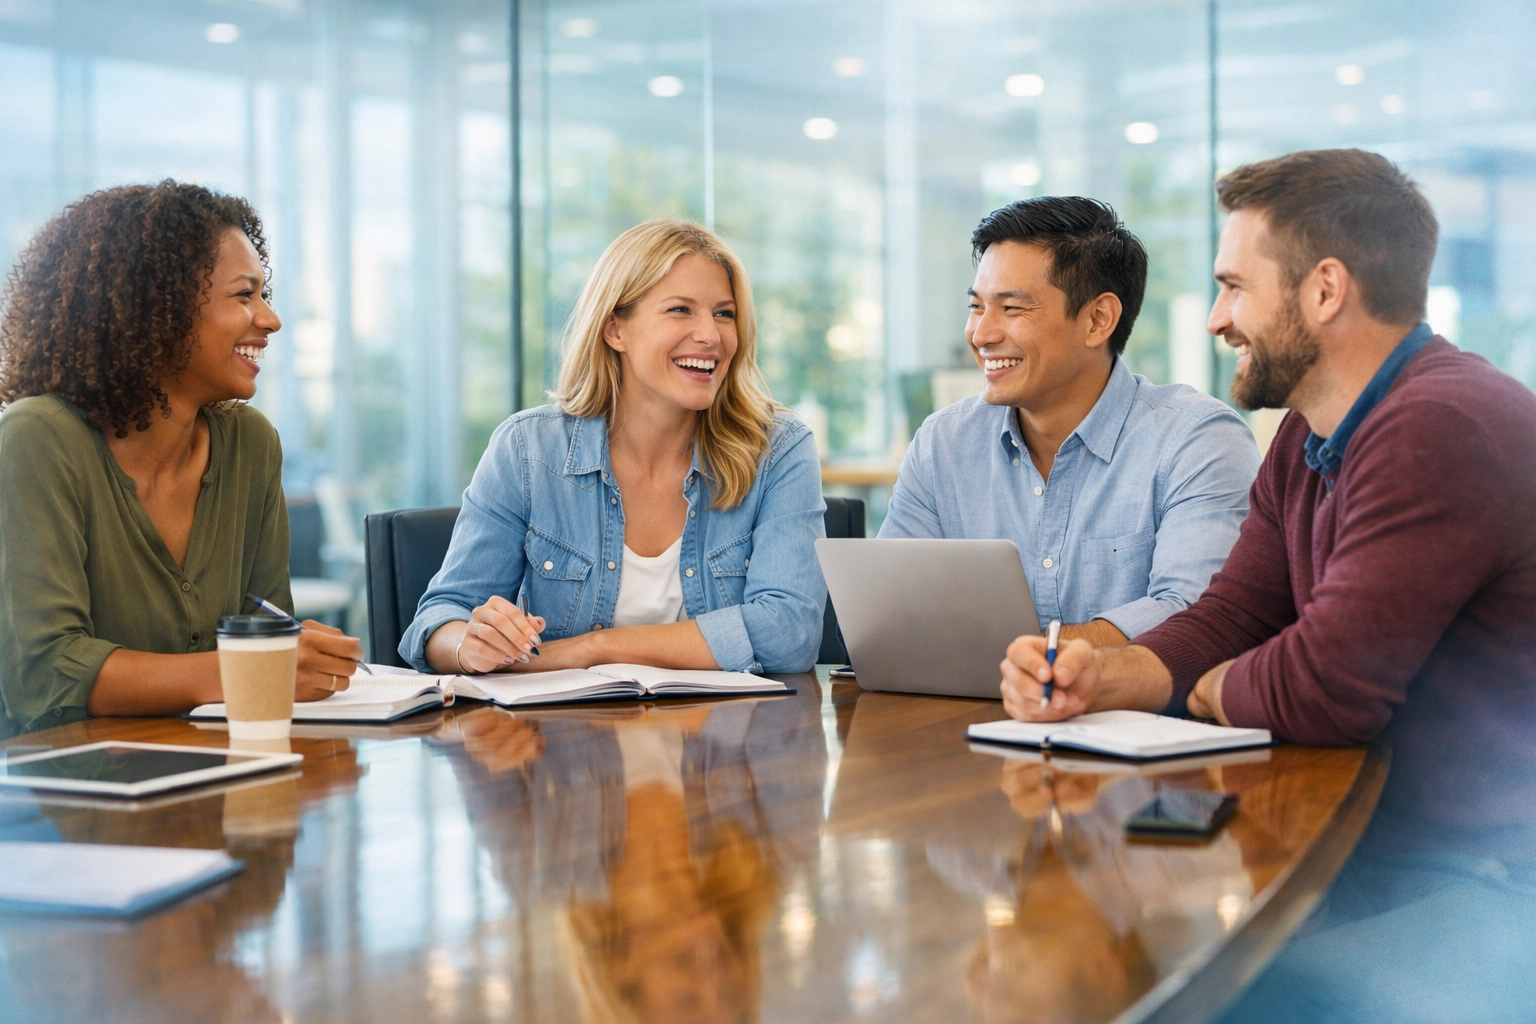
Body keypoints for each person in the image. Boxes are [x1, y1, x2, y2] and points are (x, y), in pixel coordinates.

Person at [999, 148, 1536, 751]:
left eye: (1234, 287)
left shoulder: (1440, 428)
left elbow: (1325, 689)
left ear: (1325, 290)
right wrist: (1099, 677)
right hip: (1358, 792)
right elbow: (1236, 619)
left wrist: (1211, 689)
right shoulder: (1306, 432)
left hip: (1464, 814)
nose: (1216, 320)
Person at [0, 181, 362, 737]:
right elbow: (46, 672)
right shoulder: (38, 439)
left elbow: (268, 630)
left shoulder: (250, 444)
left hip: (223, 768)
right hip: (70, 782)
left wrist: (302, 659)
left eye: (263, 294)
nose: (270, 319)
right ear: (157, 310)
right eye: (244, 295)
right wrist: (250, 669)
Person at [402, 219, 826, 676]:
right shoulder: (527, 450)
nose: (711, 335)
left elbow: (789, 634)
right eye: (680, 310)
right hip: (563, 723)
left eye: (724, 314)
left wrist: (593, 649)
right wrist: (471, 645)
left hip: (728, 724)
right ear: (614, 330)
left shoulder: (778, 450)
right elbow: (439, 620)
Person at [879, 197, 1259, 645]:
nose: (981, 335)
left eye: (1012, 308)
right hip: (964, 692)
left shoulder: (1199, 441)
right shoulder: (943, 443)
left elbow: (1194, 616)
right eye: (977, 307)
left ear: (1098, 320)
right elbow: (888, 611)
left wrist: (1037, 654)